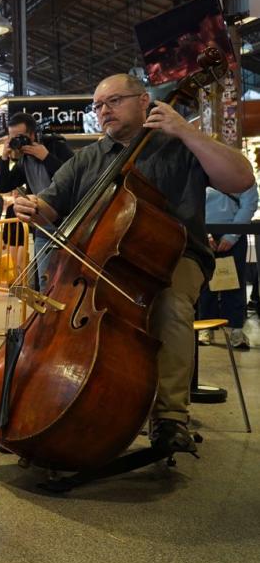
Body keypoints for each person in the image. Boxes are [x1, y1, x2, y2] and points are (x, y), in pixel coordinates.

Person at [13, 73, 254, 454]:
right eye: (97, 106)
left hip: (176, 255)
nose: (103, 111)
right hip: (104, 260)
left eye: (113, 101)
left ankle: (170, 417)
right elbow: (50, 203)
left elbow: (241, 179)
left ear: (144, 101)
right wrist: (32, 207)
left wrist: (188, 132)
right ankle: (62, 400)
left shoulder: (178, 145)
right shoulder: (89, 158)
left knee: (171, 304)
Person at [0, 112, 73, 289]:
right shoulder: (24, 161)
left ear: (32, 134)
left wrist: (46, 157)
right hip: (42, 225)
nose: (17, 142)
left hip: (69, 223)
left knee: (66, 279)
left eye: (20, 137)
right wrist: (4, 158)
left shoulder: (56, 146)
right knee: (44, 281)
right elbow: (2, 186)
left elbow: (73, 178)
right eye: (13, 138)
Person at [198, 184, 259, 348]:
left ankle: (236, 329)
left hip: (235, 233)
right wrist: (204, 232)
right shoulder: (202, 169)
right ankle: (205, 327)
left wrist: (232, 235)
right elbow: (193, 201)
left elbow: (250, 202)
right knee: (205, 283)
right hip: (204, 231)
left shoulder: (241, 171)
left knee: (235, 282)